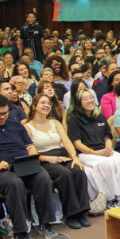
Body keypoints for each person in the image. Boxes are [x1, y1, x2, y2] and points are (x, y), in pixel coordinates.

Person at [0, 94, 57, 239]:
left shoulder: (16, 126)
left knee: (43, 177)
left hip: (21, 163)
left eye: (5, 113)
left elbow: (30, 146)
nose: (2, 117)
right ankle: (19, 232)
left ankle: (45, 223)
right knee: (15, 183)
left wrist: (32, 158)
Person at [24, 94, 91, 229]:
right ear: (34, 106)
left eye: (48, 103)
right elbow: (30, 151)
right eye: (42, 103)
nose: (46, 105)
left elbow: (66, 141)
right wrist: (46, 158)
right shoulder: (27, 126)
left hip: (61, 155)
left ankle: (82, 211)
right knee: (64, 174)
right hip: (42, 159)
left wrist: (75, 157)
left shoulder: (55, 122)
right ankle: (71, 214)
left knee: (78, 170)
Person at [68, 89, 120, 209]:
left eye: (91, 97)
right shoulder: (74, 120)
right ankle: (110, 199)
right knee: (105, 165)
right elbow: (77, 143)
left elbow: (107, 136)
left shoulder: (100, 117)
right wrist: (95, 152)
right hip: (86, 153)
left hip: (103, 150)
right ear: (78, 102)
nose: (90, 100)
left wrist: (108, 147)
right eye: (85, 98)